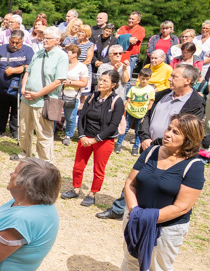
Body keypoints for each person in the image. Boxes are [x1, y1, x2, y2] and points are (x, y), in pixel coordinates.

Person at [100, 113, 205, 271]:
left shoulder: (194, 166)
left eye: (176, 132)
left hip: (168, 227)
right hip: (136, 215)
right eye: (169, 128)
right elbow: (130, 182)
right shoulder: (152, 152)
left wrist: (146, 217)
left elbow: (182, 207)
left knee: (161, 266)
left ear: (189, 139)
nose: (168, 134)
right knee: (130, 255)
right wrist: (135, 211)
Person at [97, 65, 205, 220]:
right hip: (149, 146)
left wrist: (157, 143)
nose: (169, 78)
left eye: (174, 76)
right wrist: (145, 137)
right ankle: (121, 208)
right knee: (136, 179)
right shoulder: (163, 94)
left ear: (187, 80)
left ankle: (145, 214)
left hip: (172, 154)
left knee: (155, 183)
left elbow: (186, 131)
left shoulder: (196, 103)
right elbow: (146, 116)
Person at [61, 70, 124, 207]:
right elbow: (82, 117)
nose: (100, 83)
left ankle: (92, 194)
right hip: (86, 137)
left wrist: (96, 139)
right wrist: (82, 135)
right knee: (78, 166)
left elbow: (113, 125)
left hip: (104, 141)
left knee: (98, 169)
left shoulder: (117, 101)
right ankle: (76, 189)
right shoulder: (91, 97)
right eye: (100, 80)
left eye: (105, 81)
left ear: (113, 84)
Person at [11, 26, 68, 164]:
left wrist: (37, 94)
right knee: (24, 129)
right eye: (44, 37)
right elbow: (28, 71)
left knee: (44, 133)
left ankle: (44, 161)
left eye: (48, 38)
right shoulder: (38, 53)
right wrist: (23, 88)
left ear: (57, 40)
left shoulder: (62, 56)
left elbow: (58, 82)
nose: (44, 40)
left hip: (45, 101)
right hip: (27, 98)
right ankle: (25, 153)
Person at [0, 31, 32, 140]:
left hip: (18, 87)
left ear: (22, 42)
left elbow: (30, 66)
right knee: (2, 109)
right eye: (12, 42)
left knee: (16, 110)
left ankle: (14, 131)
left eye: (17, 43)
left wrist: (14, 70)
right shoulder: (0, 49)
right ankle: (0, 129)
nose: (14, 45)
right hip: (2, 87)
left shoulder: (27, 50)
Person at [115, 67, 155, 155]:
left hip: (141, 114)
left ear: (150, 78)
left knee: (138, 132)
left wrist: (146, 115)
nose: (144, 81)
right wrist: (124, 111)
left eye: (147, 79)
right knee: (125, 128)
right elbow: (128, 100)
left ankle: (136, 147)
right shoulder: (133, 89)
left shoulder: (150, 90)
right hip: (131, 112)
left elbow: (151, 103)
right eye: (143, 78)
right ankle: (118, 144)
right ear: (139, 77)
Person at [60, 44, 89, 146]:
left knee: (70, 117)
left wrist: (70, 82)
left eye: (67, 52)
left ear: (74, 54)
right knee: (54, 114)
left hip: (72, 96)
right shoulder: (62, 64)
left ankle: (68, 135)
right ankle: (51, 132)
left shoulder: (82, 67)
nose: (65, 54)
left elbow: (84, 83)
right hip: (59, 94)